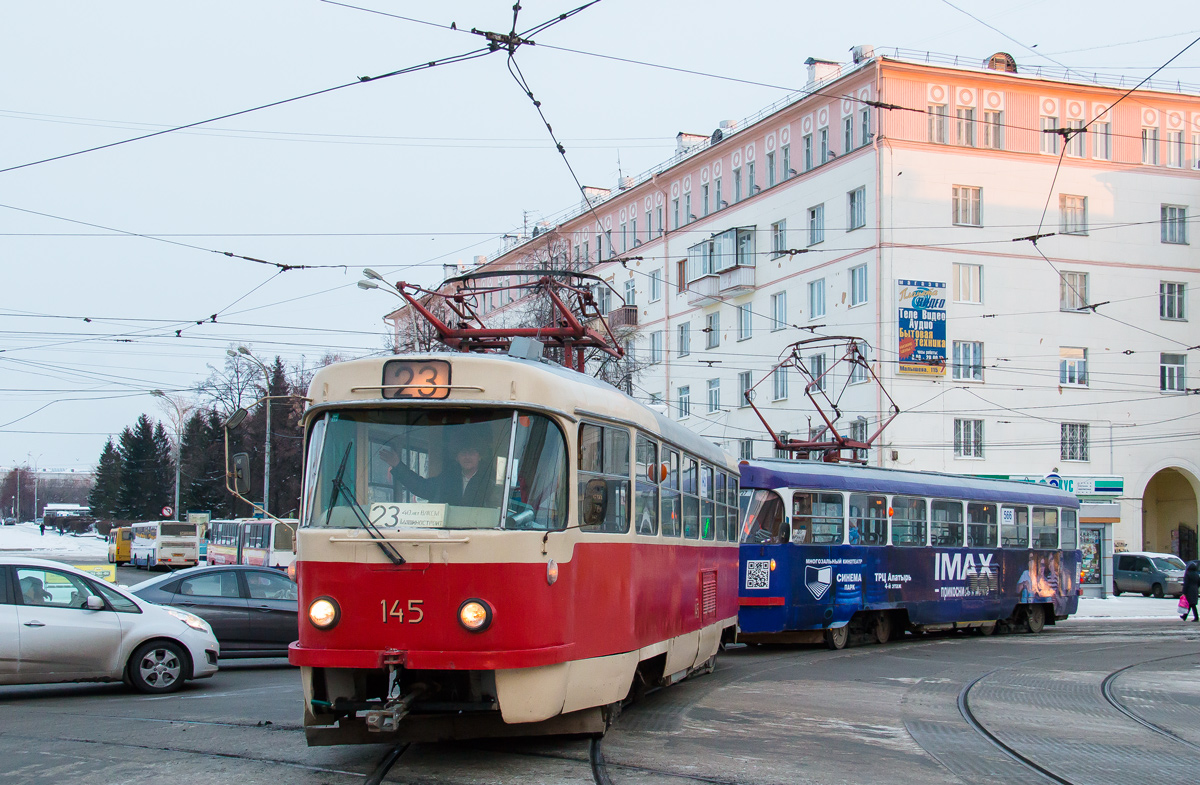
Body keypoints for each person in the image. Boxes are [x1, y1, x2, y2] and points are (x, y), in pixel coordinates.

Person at [379, 444, 494, 507]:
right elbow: (422, 488)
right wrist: (398, 465)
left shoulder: (491, 480)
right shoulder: (447, 479)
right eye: (463, 453)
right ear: (457, 458)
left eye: (472, 452)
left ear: (480, 456)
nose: (467, 457)